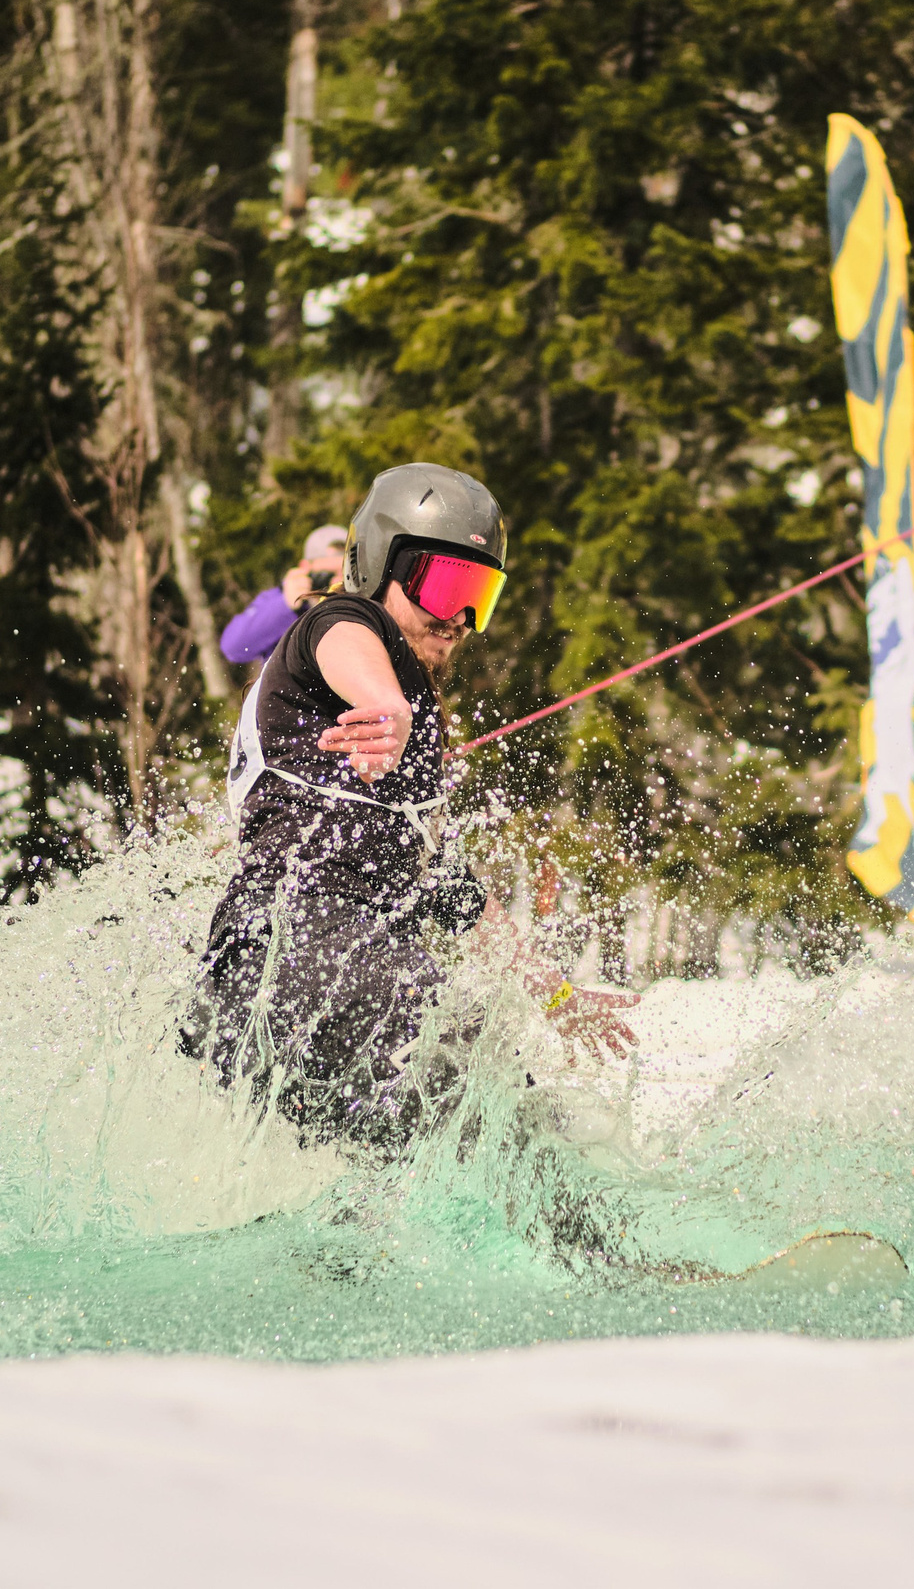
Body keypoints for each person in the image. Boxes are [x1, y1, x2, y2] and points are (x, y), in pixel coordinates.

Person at [184, 464, 635, 1146]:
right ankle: (578, 1247)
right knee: (466, 1077)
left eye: (479, 594)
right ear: (376, 562)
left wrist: (558, 996)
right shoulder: (340, 628)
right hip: (284, 953)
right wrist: (386, 704)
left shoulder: (407, 750)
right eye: (444, 584)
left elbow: (449, 891)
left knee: (504, 1102)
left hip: (295, 984)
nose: (458, 618)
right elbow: (347, 644)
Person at [218, 524, 349, 668]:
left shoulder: (363, 601)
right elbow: (234, 647)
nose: (338, 582)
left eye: (345, 574)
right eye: (329, 574)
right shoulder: (278, 600)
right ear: (306, 567)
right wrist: (285, 605)